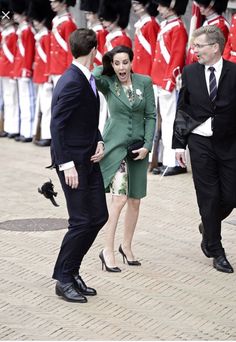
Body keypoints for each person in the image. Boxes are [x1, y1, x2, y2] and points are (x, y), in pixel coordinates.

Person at [50, 28, 109, 302]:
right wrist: (66, 165)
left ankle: (71, 271)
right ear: (95, 50)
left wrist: (99, 140)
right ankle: (64, 277)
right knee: (81, 221)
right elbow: (57, 126)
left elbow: (85, 119)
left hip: (90, 157)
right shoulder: (73, 80)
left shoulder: (84, 77)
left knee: (98, 217)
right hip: (72, 163)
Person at [172, 25, 236, 274]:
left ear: (215, 47)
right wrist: (178, 144)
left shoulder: (233, 72)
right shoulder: (189, 72)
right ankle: (215, 248)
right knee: (208, 197)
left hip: (229, 142)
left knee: (231, 196)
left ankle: (208, 226)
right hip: (199, 142)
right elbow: (183, 108)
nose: (194, 50)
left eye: (198, 46)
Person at [93, 45, 156, 271]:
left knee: (135, 200)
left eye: (125, 62)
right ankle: (107, 250)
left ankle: (126, 246)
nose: (121, 67)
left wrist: (148, 146)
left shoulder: (144, 82)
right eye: (117, 63)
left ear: (131, 62)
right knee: (118, 200)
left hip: (138, 149)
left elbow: (151, 115)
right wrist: (107, 62)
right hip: (116, 148)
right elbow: (94, 74)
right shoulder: (108, 83)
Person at [150, 0, 188, 176]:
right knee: (163, 122)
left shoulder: (178, 27)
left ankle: (175, 161)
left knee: (170, 122)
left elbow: (177, 57)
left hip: (168, 81)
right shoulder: (167, 25)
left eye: (162, 5)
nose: (158, 8)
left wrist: (168, 82)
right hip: (159, 79)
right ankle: (165, 160)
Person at [28, 0, 55, 147]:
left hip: (45, 77)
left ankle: (47, 135)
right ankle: (43, 133)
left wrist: (47, 76)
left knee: (47, 107)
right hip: (40, 76)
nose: (35, 23)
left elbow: (48, 59)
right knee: (42, 105)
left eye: (37, 20)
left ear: (43, 19)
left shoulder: (46, 36)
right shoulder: (41, 36)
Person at [10, 0, 36, 143]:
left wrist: (25, 69)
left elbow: (28, 53)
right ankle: (23, 130)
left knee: (28, 101)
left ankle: (29, 131)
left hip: (25, 70)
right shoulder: (21, 29)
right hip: (19, 69)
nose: (14, 16)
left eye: (16, 13)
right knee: (22, 101)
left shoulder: (27, 30)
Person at [187, 0, 229, 65]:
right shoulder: (207, 22)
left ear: (211, 4)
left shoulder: (221, 25)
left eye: (202, 5)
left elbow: (212, 53)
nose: (199, 7)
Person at [0, 0, 18, 138]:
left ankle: (14, 127)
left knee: (13, 99)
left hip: (11, 70)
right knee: (7, 99)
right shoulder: (6, 33)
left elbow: (15, 54)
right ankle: (8, 127)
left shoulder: (13, 34)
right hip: (4, 70)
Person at [49, 0, 77, 87]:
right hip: (55, 66)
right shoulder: (55, 21)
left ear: (64, 3)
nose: (52, 4)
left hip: (64, 67)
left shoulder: (68, 23)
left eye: (55, 2)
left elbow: (70, 49)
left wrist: (71, 70)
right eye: (51, 2)